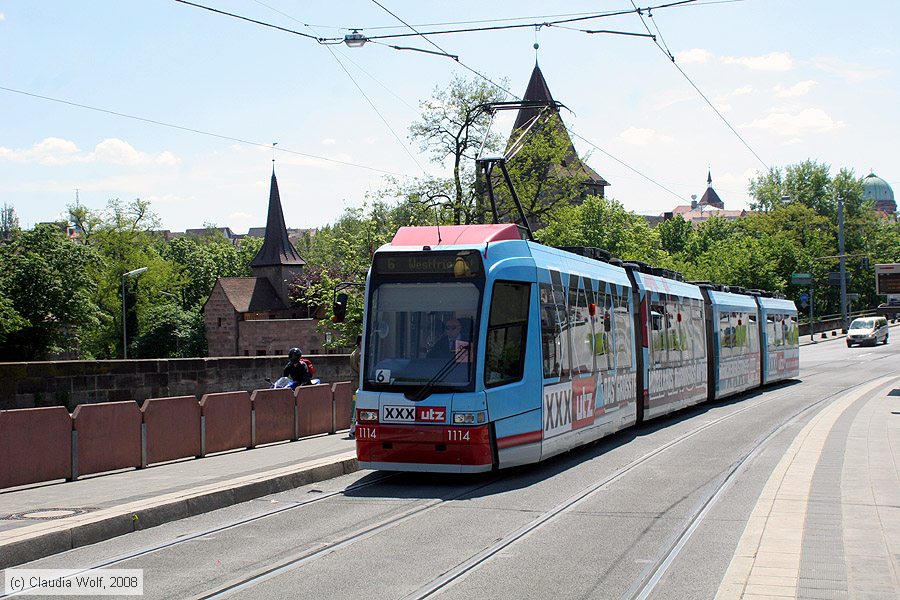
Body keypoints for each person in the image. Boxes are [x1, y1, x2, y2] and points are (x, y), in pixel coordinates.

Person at [348, 335, 361, 439]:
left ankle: (352, 427)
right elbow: (360, 367)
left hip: (353, 381)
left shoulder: (353, 352)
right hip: (358, 382)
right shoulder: (359, 353)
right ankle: (353, 428)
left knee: (354, 404)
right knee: (358, 405)